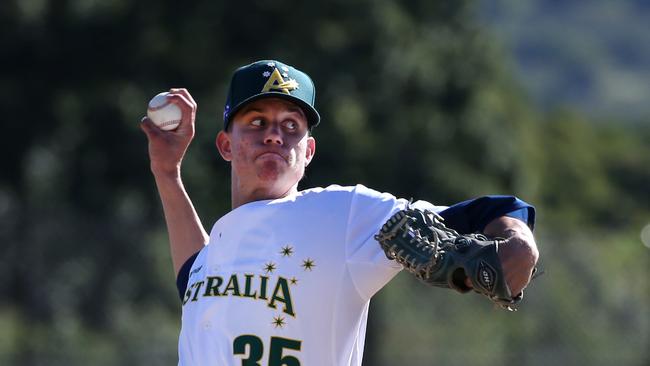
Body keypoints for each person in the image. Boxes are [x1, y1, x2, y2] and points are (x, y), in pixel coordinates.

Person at [140, 60, 539, 365]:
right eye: (257, 121)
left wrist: (518, 242)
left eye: (292, 125)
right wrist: (166, 172)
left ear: (308, 153)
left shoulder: (340, 214)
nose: (274, 134)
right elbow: (192, 276)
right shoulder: (214, 256)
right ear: (226, 145)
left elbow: (495, 210)